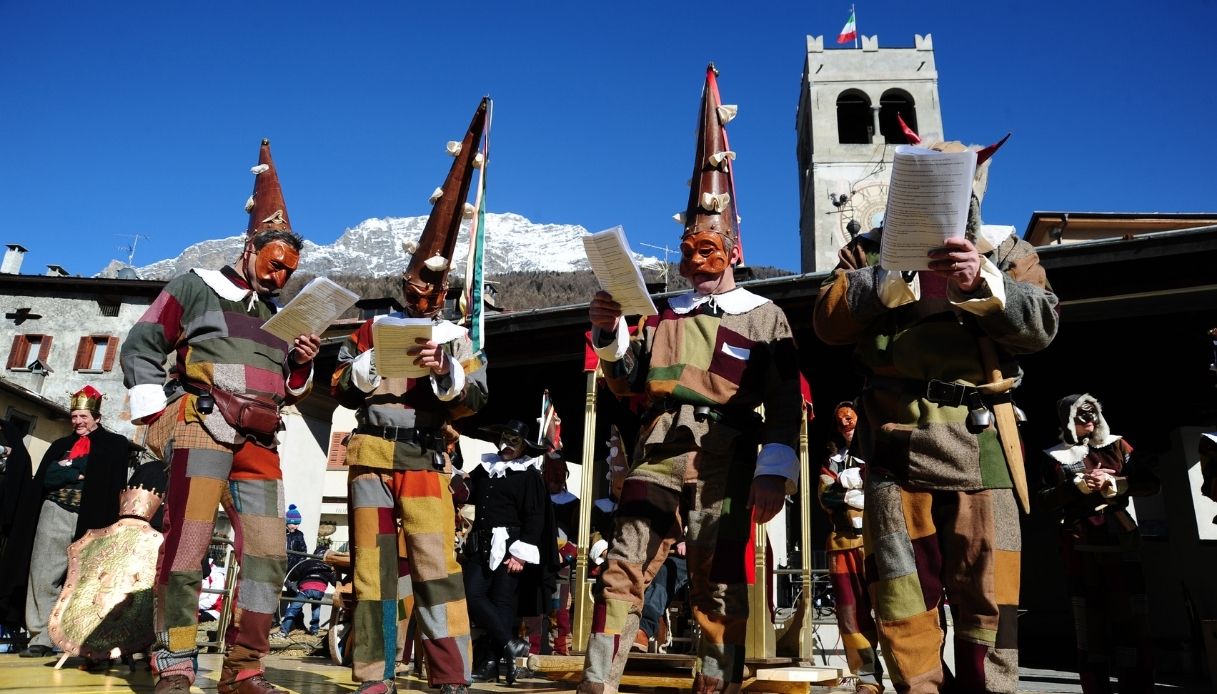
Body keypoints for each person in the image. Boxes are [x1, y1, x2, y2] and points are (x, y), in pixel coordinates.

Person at [579, 64, 803, 694]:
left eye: (708, 249)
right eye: (686, 249)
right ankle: (598, 685)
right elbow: (625, 382)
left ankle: (718, 686)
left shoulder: (766, 317)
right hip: (657, 452)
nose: (695, 261)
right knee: (622, 567)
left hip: (729, 458)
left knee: (720, 581)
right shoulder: (660, 315)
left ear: (732, 251)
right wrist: (608, 332)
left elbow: (787, 402)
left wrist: (773, 470)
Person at [813, 134, 1058, 694]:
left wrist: (983, 282)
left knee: (991, 597)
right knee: (901, 596)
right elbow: (827, 322)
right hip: (894, 441)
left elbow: (1043, 325)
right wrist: (894, 275)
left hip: (985, 446)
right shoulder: (868, 252)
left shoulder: (1008, 251)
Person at [120, 139, 320, 694]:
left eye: (291, 270)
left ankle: (245, 670)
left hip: (262, 440)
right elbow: (141, 343)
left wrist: (300, 366)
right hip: (202, 423)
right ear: (250, 246)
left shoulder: (282, 317)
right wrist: (156, 410)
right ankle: (176, 664)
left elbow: (288, 390)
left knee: (269, 555)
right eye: (276, 263)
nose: (282, 276)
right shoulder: (195, 286)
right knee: (188, 545)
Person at [331, 97, 490, 694]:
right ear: (405, 279)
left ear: (446, 287)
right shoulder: (367, 328)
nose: (425, 289)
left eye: (436, 282)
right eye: (418, 279)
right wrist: (371, 364)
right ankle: (375, 678)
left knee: (437, 571)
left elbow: (477, 398)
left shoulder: (458, 335)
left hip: (425, 461)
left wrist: (446, 370)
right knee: (373, 571)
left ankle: (451, 678)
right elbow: (342, 387)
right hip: (371, 458)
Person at [1036, 394, 1158, 693]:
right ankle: (1096, 688)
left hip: (1121, 541)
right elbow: (1041, 500)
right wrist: (1075, 487)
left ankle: (1138, 687)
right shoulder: (1054, 456)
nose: (1088, 421)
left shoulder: (1118, 445)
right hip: (1080, 545)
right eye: (1080, 416)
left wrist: (1118, 484)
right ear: (1067, 420)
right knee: (1090, 625)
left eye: (1092, 415)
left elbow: (1150, 483)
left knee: (1132, 619)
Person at [0, 386, 130, 658]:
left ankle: (79, 637)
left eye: (83, 416)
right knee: (44, 573)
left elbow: (106, 479)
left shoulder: (114, 445)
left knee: (85, 578)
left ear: (97, 417)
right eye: (74, 416)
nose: (78, 421)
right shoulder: (60, 446)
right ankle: (41, 636)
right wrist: (76, 472)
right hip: (55, 511)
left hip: (93, 517)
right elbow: (48, 478)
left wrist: (70, 469)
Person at [461, 419, 556, 685]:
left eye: (514, 440)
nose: (506, 445)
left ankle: (493, 661)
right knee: (472, 593)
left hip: (511, 544)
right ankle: (510, 644)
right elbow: (467, 492)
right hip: (482, 544)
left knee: (503, 602)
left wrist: (520, 554)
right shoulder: (486, 468)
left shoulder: (528, 475)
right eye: (504, 437)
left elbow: (536, 517)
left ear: (524, 446)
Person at [816, 401, 882, 693]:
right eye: (839, 418)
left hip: (879, 543)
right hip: (842, 544)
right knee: (851, 615)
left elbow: (888, 490)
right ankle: (867, 678)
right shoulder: (832, 462)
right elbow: (825, 496)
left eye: (850, 416)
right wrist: (851, 492)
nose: (844, 422)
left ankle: (909, 673)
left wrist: (855, 486)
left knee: (893, 609)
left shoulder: (880, 450)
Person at [279, 504, 321, 636]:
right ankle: (275, 620)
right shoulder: (281, 533)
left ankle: (297, 622)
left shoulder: (299, 535)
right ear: (287, 522)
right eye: (293, 524)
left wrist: (298, 564)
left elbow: (303, 551)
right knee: (275, 592)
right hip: (281, 567)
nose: (295, 526)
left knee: (294, 593)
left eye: (297, 524)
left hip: (293, 569)